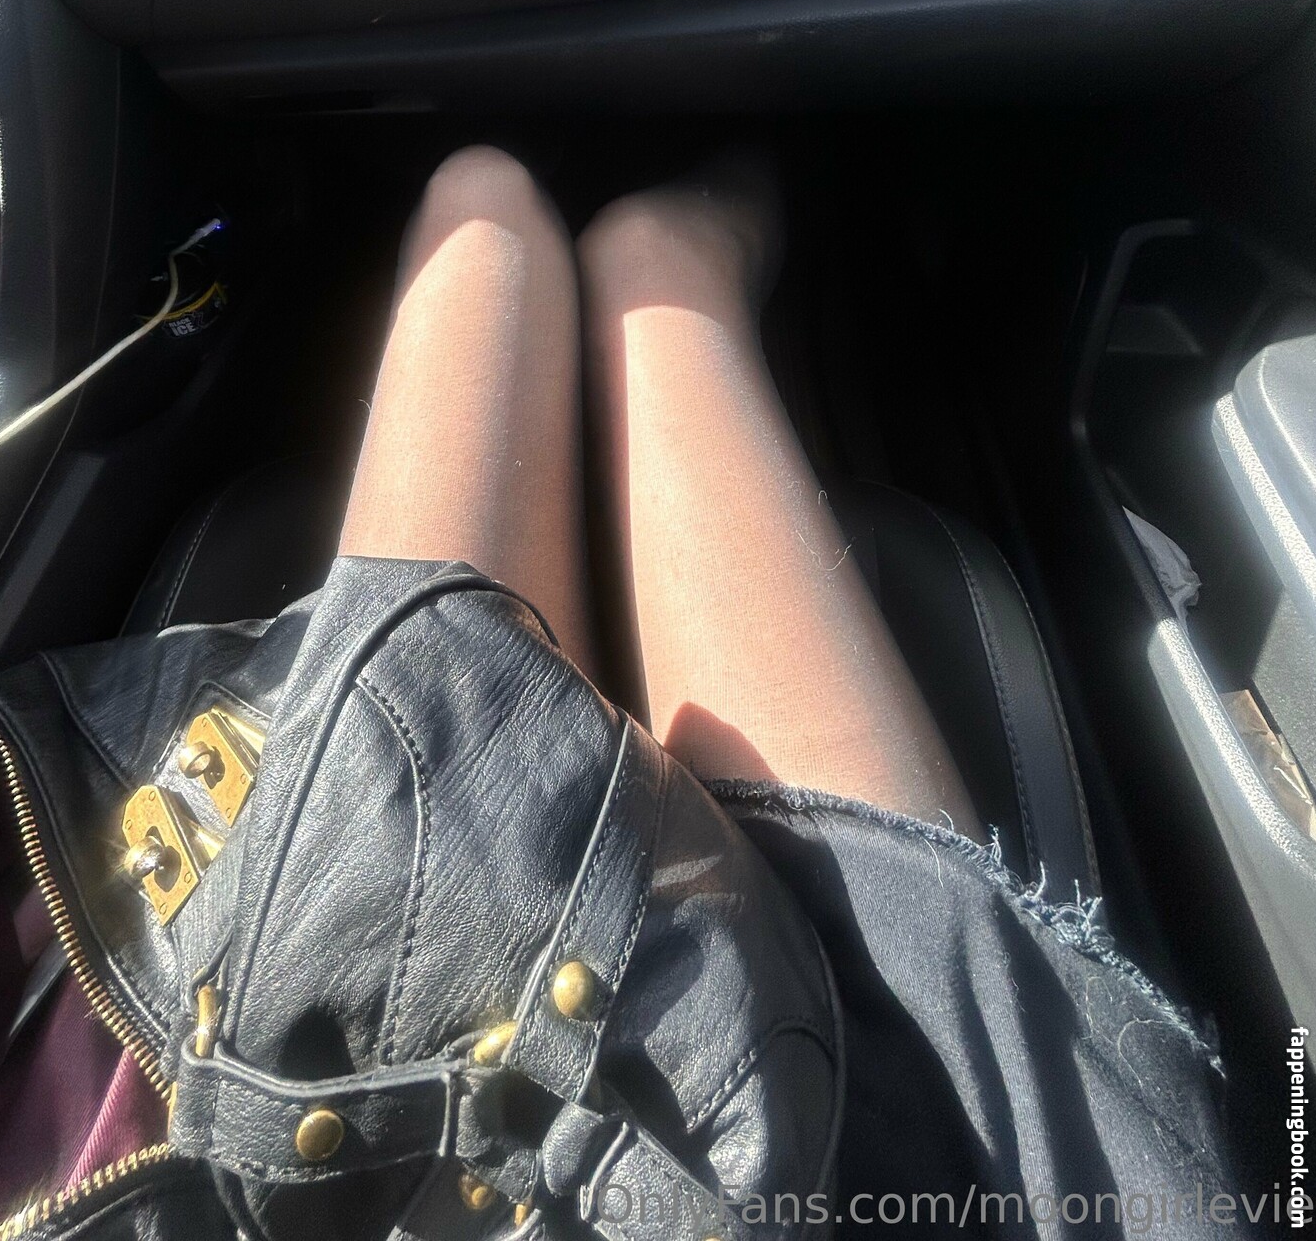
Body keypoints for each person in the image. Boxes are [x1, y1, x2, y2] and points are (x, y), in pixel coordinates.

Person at [334, 144, 1231, 1234]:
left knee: (483, 201)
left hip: (374, 1091)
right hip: (905, 1121)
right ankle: (776, 162)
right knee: (619, 250)